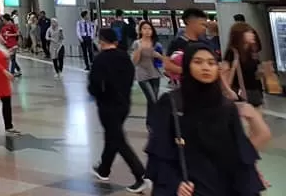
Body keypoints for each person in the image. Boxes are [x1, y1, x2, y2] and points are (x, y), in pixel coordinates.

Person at [145, 44, 267, 196]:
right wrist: (174, 183)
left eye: (211, 63)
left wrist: (250, 177)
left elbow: (238, 151)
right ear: (187, 66)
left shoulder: (226, 107)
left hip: (222, 186)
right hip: (189, 187)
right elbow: (160, 149)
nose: (205, 67)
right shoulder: (171, 103)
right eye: (198, 62)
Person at [88, 28, 150, 194]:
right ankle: (104, 169)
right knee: (112, 135)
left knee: (118, 139)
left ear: (102, 41)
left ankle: (140, 175)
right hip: (124, 104)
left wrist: (98, 94)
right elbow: (131, 78)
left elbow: (94, 85)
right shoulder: (124, 57)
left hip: (107, 105)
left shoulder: (100, 59)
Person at [222, 22, 264, 107]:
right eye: (248, 32)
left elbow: (254, 74)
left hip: (255, 94)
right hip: (240, 95)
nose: (252, 35)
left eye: (252, 32)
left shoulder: (252, 52)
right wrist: (229, 91)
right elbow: (223, 75)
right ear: (240, 35)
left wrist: (262, 72)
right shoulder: (232, 52)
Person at [131, 20, 163, 129]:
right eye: (144, 28)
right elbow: (135, 61)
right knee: (153, 100)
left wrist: (158, 55)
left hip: (155, 73)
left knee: (152, 100)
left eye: (149, 29)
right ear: (140, 30)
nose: (147, 31)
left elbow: (161, 60)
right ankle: (156, 124)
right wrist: (139, 50)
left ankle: (150, 123)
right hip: (142, 75)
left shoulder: (156, 44)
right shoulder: (137, 43)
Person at [164, 7, 210, 78]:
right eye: (202, 24)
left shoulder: (205, 43)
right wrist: (189, 71)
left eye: (206, 26)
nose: (204, 28)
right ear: (189, 22)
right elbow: (167, 65)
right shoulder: (177, 43)